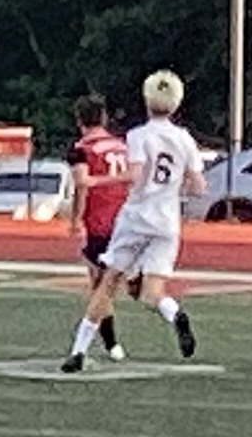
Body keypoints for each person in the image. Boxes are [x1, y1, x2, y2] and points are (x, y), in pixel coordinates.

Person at [88, 69, 205, 364]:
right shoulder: (184, 139)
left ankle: (85, 347)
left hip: (138, 215)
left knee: (108, 281)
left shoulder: (138, 135)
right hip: (168, 219)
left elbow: (137, 174)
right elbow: (198, 185)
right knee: (153, 292)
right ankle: (174, 313)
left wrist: (100, 183)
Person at [61, 95, 133, 371]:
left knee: (100, 287)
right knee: (106, 285)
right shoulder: (121, 146)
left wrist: (76, 219)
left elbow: (82, 185)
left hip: (100, 223)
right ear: (103, 118)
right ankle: (111, 344)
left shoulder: (82, 149)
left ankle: (106, 344)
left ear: (79, 120)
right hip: (126, 220)